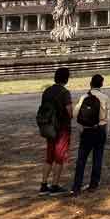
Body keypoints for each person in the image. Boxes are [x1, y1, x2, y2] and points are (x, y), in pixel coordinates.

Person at [71, 74, 110, 196]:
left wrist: (82, 126)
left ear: (90, 84)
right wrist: (106, 131)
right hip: (100, 129)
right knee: (98, 157)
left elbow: (75, 114)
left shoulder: (84, 97)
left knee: (81, 159)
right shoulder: (105, 98)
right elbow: (106, 118)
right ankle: (94, 184)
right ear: (101, 84)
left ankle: (76, 186)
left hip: (86, 130)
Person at [39, 67, 73, 196]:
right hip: (62, 128)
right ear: (66, 79)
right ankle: (54, 186)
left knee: (49, 157)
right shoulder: (65, 92)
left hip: (49, 127)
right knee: (59, 157)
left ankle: (43, 185)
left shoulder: (47, 91)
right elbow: (69, 111)